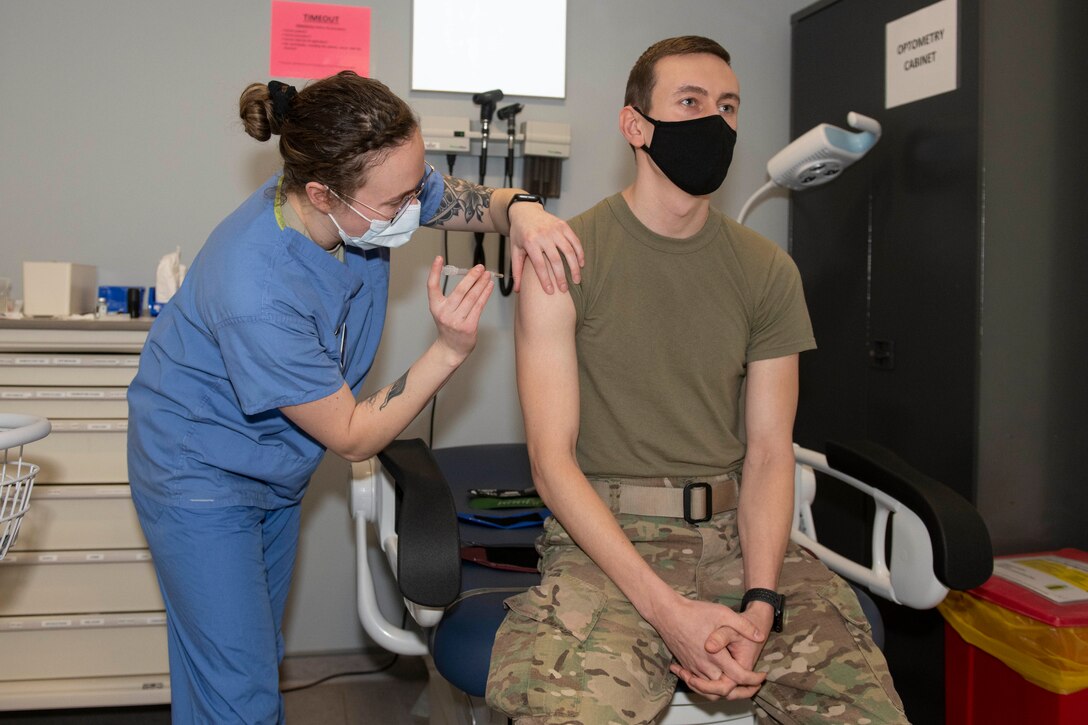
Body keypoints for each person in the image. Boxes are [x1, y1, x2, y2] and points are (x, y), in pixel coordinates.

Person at [126, 70, 582, 724]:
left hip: (271, 468)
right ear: (322, 192)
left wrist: (523, 211)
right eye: (398, 199)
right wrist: (448, 350)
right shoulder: (254, 284)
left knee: (240, 659)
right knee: (242, 690)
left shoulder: (359, 209)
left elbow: (468, 201)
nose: (414, 207)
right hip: (197, 470)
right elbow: (350, 433)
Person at [485, 36, 908, 724]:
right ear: (635, 125)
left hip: (742, 537)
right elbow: (551, 463)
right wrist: (668, 611)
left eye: (729, 106)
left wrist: (764, 602)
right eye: (691, 101)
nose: (716, 120)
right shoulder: (563, 258)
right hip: (607, 541)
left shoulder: (767, 271)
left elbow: (770, 451)